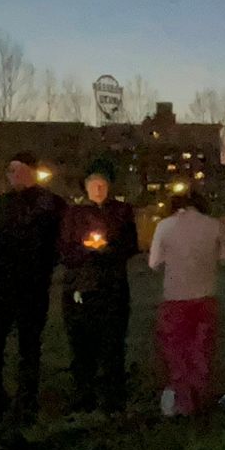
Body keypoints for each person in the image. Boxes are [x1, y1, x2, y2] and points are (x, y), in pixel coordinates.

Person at [0, 152, 66, 422]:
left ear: (31, 172)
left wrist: (41, 270)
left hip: (32, 288)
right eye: (10, 170)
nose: (13, 175)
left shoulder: (50, 205)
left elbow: (59, 244)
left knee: (29, 346)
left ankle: (27, 399)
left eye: (19, 170)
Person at [58, 159, 139, 414]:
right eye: (93, 185)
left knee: (112, 345)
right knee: (82, 346)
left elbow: (130, 246)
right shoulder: (74, 214)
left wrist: (107, 250)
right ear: (86, 187)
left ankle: (114, 397)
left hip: (112, 288)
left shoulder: (122, 212)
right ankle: (84, 394)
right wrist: (86, 250)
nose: (98, 190)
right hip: (81, 288)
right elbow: (64, 250)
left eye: (102, 185)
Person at [149, 191, 225, 418]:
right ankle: (201, 398)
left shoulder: (165, 226)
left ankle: (183, 403)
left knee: (177, 354)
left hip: (175, 299)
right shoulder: (215, 225)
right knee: (201, 351)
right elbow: (224, 257)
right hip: (205, 296)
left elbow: (154, 262)